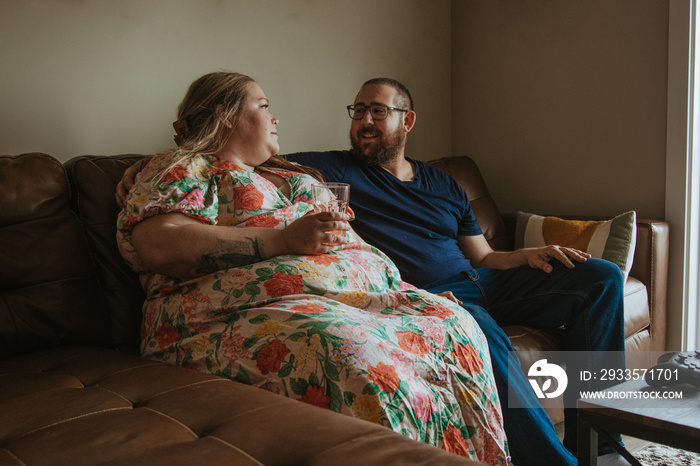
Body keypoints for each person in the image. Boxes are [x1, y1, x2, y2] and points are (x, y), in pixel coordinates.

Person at [117, 76, 625, 466]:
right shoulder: (327, 169)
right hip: (420, 290)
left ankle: (602, 442)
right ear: (227, 118)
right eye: (357, 110)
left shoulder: (446, 183)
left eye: (377, 111)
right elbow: (200, 187)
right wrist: (172, 157)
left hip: (475, 278)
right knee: (467, 325)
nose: (363, 119)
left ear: (408, 121)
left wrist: (527, 256)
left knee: (599, 278)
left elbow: (483, 255)